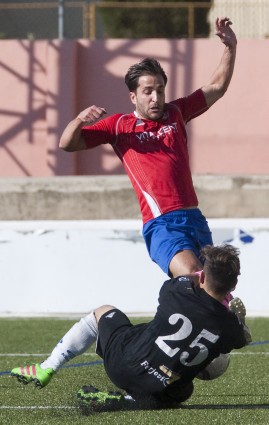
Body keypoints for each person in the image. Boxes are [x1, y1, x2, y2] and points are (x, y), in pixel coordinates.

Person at [59, 17, 237, 280]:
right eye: (148, 92)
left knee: (213, 289)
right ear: (133, 96)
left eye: (160, 90)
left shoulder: (176, 112)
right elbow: (66, 144)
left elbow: (217, 87)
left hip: (194, 218)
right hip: (162, 223)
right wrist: (80, 120)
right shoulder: (119, 126)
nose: (156, 98)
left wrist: (230, 47)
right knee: (192, 276)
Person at [11, 245, 251, 410]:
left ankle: (47, 367)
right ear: (233, 284)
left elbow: (184, 279)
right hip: (159, 391)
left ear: (201, 277)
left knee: (102, 312)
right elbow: (243, 338)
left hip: (123, 365)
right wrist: (238, 318)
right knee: (183, 390)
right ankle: (130, 400)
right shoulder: (230, 329)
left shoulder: (176, 291)